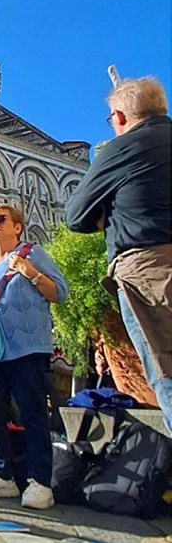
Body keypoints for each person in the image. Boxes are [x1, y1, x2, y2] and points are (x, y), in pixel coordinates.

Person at [65, 76, 172, 435]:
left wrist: (108, 215)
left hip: (149, 274)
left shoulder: (121, 148)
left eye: (111, 118)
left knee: (166, 373)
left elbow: (75, 215)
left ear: (120, 116)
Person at [0, 203, 68, 509]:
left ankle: (40, 483)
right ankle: (2, 476)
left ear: (17, 227)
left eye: (0, 219)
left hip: (27, 350)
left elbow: (60, 293)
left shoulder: (31, 254)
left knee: (32, 414)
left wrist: (32, 274)